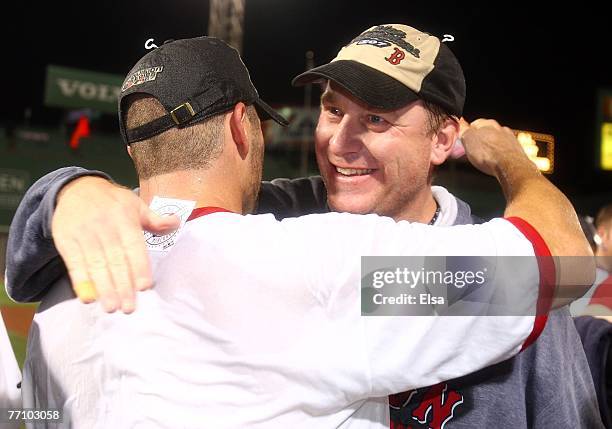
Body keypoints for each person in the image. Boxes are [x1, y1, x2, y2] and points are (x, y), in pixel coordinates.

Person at [5, 26, 600, 428]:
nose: (340, 141)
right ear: (244, 129)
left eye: (376, 117)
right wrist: (66, 190)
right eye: (333, 109)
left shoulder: (62, 302)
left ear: (444, 138)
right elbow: (557, 263)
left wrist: (62, 191)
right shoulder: (314, 249)